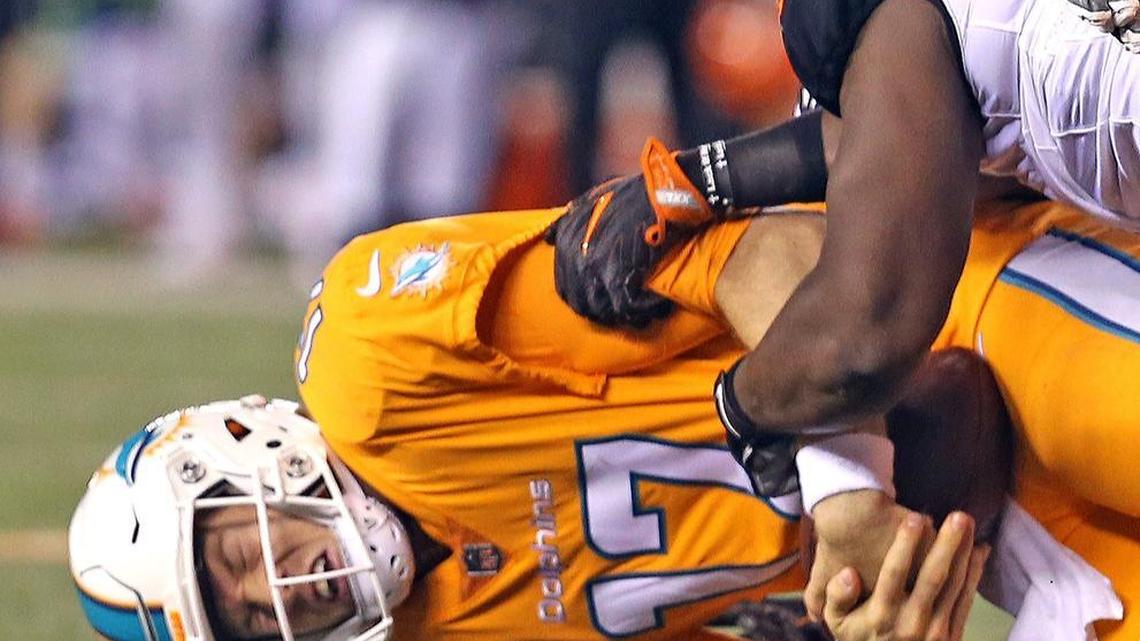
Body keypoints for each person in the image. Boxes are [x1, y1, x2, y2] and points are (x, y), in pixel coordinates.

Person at [67, 205, 1000, 641]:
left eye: (232, 561)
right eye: (247, 629)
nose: (275, 599)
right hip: (989, 535)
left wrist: (846, 492)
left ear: (239, 455)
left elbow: (776, 254)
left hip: (965, 305)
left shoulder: (379, 362)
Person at [546, 0, 1140, 620]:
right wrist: (688, 183)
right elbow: (877, 128)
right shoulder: (917, 69)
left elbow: (861, 342)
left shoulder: (904, 39)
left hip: (1030, 344)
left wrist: (750, 413)